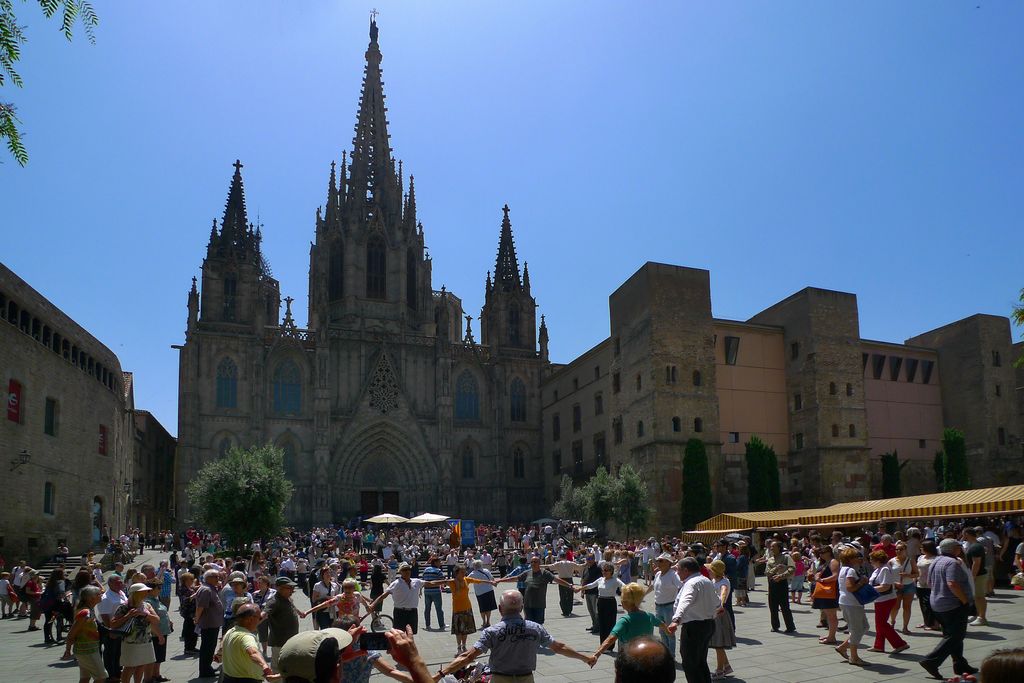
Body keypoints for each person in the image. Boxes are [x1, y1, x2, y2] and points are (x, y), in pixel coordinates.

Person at [438, 589, 593, 682]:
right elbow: (559, 647)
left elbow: (468, 657)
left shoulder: (492, 631)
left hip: (500, 679)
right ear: (522, 608)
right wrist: (585, 658)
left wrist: (439, 675)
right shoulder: (535, 628)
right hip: (526, 679)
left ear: (500, 608)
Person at [919, 538, 977, 680]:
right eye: (959, 546)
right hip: (952, 604)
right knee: (955, 636)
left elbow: (929, 582)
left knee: (954, 634)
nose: (961, 549)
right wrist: (964, 601)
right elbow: (952, 584)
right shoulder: (952, 563)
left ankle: (960, 664)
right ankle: (931, 661)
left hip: (938, 603)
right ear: (954, 549)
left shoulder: (936, 561)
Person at [587, 582, 668, 666]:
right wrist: (668, 631)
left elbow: (610, 639)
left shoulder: (625, 621)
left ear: (625, 602)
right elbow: (661, 624)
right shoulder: (649, 616)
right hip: (646, 657)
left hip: (628, 659)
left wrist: (596, 654)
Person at [666, 557, 720, 683]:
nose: (677, 572)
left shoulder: (691, 583)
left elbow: (685, 601)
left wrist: (676, 620)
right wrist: (718, 608)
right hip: (708, 625)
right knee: (700, 660)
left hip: (694, 627)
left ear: (686, 570)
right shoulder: (706, 580)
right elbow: (717, 601)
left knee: (690, 663)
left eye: (678, 569)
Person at [495, 555, 574, 624]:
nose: (533, 564)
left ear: (539, 563)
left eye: (535, 562)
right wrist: (500, 580)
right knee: (529, 624)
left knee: (538, 625)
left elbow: (556, 580)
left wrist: (569, 585)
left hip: (539, 605)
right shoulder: (527, 573)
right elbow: (515, 578)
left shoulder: (545, 573)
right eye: (532, 562)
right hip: (528, 605)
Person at [110, 583, 162, 683]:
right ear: (136, 593)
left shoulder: (146, 605)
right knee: (130, 667)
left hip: (146, 640)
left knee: (141, 665)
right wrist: (128, 616)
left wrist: (144, 614)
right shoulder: (124, 607)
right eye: (144, 591)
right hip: (130, 642)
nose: (147, 593)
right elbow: (113, 624)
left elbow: (157, 620)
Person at [220, 603, 279, 682]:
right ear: (250, 619)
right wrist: (265, 666)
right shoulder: (246, 637)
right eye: (260, 618)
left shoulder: (230, 631)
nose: (260, 621)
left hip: (228, 679)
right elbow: (253, 652)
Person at [866, 549, 909, 654]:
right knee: (879, 623)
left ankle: (900, 644)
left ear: (878, 560)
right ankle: (879, 646)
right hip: (881, 599)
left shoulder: (884, 569)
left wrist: (869, 589)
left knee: (882, 624)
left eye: (872, 559)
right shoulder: (879, 569)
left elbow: (885, 587)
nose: (870, 561)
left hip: (885, 599)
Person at [835, 545, 871, 667]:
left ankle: (843, 647)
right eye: (856, 556)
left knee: (864, 627)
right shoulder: (850, 570)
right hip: (851, 603)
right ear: (851, 559)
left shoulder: (843, 569)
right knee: (857, 630)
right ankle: (854, 657)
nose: (859, 558)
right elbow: (850, 587)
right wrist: (862, 581)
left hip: (848, 602)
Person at [577, 561, 627, 646]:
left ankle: (610, 646)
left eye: (606, 570)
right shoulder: (600, 579)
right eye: (603, 570)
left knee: (610, 625)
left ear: (611, 571)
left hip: (610, 602)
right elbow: (591, 585)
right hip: (601, 602)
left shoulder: (615, 580)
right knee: (602, 624)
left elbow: (625, 587)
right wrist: (580, 588)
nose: (604, 572)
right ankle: (603, 645)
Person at [62, 585, 105, 683]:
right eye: (99, 594)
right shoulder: (85, 613)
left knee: (85, 678)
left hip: (87, 649)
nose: (101, 595)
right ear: (91, 598)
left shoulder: (88, 610)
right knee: (101, 677)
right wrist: (68, 650)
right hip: (87, 651)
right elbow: (72, 633)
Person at [369, 562, 425, 634]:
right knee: (399, 633)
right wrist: (391, 586)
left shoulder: (372, 575)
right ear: (400, 571)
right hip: (382, 594)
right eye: (405, 570)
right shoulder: (384, 577)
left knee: (410, 633)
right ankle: (377, 620)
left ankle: (376, 620)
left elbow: (371, 583)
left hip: (373, 592)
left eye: (408, 569)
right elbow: (385, 587)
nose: (407, 571)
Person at [645, 552, 682, 658]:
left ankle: (671, 655)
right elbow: (652, 586)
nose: (658, 562)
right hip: (658, 606)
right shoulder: (658, 574)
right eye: (658, 560)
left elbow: (682, 587)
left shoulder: (673, 575)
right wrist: (643, 594)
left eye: (660, 561)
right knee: (662, 631)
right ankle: (666, 652)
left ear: (668, 562)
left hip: (669, 607)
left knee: (669, 632)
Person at [706, 560, 736, 680]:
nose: (708, 571)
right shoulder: (714, 581)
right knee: (718, 643)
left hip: (720, 614)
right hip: (714, 613)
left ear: (714, 571)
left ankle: (719, 670)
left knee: (718, 644)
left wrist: (721, 604)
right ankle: (726, 666)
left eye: (710, 570)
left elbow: (723, 593)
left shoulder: (724, 582)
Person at [195, 568, 226, 678]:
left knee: (210, 646)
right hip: (208, 623)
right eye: (216, 577)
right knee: (207, 647)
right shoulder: (206, 590)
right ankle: (205, 670)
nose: (218, 578)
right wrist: (197, 619)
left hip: (213, 623)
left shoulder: (210, 588)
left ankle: (207, 668)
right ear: (208, 578)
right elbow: (201, 607)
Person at [98, 573, 128, 682]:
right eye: (118, 582)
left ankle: (117, 671)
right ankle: (110, 675)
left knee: (118, 652)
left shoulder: (121, 593)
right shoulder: (106, 598)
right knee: (110, 652)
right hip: (111, 628)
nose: (121, 584)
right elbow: (105, 616)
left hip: (120, 627)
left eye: (121, 581)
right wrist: (111, 630)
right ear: (110, 583)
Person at [810, 545, 840, 645]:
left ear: (828, 552)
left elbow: (835, 576)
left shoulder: (833, 562)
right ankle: (830, 635)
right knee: (829, 615)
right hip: (824, 592)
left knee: (831, 615)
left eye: (822, 552)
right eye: (820, 553)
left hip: (830, 592)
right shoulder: (825, 562)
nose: (820, 554)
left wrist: (822, 580)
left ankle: (832, 637)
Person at [764, 542, 796, 633]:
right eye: (771, 547)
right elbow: (767, 572)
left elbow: (792, 569)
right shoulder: (770, 559)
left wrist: (781, 576)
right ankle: (775, 626)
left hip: (782, 583)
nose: (771, 548)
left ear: (779, 547)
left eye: (773, 546)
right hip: (772, 583)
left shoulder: (786, 557)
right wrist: (776, 569)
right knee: (773, 606)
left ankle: (790, 626)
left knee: (784, 606)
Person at [888, 540, 918, 634]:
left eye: (901, 549)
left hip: (908, 586)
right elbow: (886, 576)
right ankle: (892, 622)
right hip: (896, 587)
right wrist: (894, 583)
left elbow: (917, 574)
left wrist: (908, 575)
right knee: (895, 607)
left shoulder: (910, 560)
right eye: (896, 549)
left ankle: (905, 627)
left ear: (905, 550)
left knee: (907, 607)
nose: (898, 551)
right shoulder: (891, 561)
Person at [963, 527, 988, 626]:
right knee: (977, 597)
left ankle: (982, 617)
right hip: (978, 574)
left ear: (967, 534)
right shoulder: (974, 545)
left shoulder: (975, 547)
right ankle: (978, 615)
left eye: (963, 534)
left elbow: (976, 563)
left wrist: (973, 576)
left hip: (979, 575)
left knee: (979, 597)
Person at [916, 539, 940, 630]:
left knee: (931, 605)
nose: (920, 548)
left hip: (931, 585)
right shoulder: (921, 557)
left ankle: (935, 623)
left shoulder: (935, 559)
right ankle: (927, 622)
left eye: (922, 547)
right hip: (920, 584)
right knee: (923, 605)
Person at [468, 559, 497, 627]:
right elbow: (492, 578)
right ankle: (488, 621)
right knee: (488, 607)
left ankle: (484, 622)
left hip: (480, 592)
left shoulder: (473, 573)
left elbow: (466, 580)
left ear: (474, 566)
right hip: (489, 590)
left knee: (482, 608)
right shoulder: (486, 571)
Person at [420, 556, 446, 630]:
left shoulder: (425, 570)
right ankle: (441, 625)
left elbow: (423, 580)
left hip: (427, 591)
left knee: (427, 609)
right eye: (439, 562)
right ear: (435, 563)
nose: (440, 563)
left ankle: (427, 625)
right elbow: (442, 580)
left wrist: (420, 590)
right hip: (436, 592)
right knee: (439, 609)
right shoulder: (438, 570)